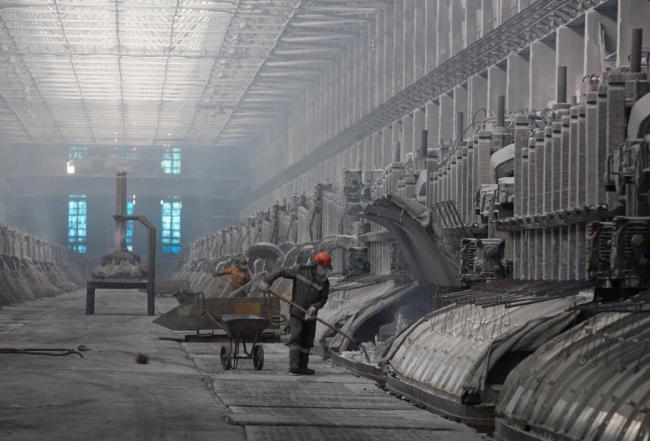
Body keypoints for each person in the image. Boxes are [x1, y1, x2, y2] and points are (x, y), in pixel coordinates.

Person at [259, 252, 331, 375]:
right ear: (315, 265)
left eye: (326, 268)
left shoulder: (325, 282)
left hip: (311, 315)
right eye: (323, 267)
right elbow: (280, 271)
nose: (324, 271)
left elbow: (324, 298)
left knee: (307, 341)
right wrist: (267, 281)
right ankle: (294, 367)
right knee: (296, 337)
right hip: (297, 312)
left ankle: (303, 367)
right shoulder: (300, 271)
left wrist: (315, 307)